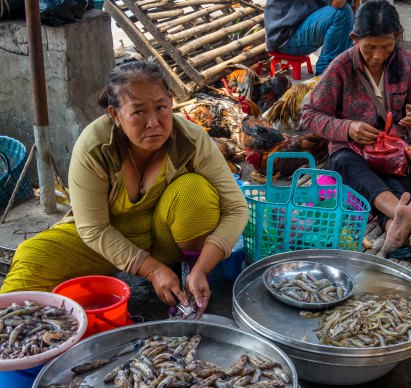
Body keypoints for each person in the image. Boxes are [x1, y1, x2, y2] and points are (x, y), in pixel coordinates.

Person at [0, 61, 248, 319]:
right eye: (138, 112)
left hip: (165, 238)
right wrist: (151, 270)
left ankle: (191, 288)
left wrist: (202, 268)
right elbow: (93, 229)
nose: (153, 122)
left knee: (194, 191)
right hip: (107, 242)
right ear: (115, 114)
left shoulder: (191, 139)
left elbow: (236, 208)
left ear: (171, 101)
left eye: (161, 107)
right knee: (32, 256)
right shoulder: (95, 146)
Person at [301, 0, 411, 254]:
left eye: (386, 47)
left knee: (396, 178)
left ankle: (394, 225)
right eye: (369, 47)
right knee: (349, 167)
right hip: (352, 153)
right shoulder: (341, 67)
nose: (378, 56)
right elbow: (309, 115)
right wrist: (348, 128)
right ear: (354, 39)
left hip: (394, 153)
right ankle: (407, 216)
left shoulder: (405, 63)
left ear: (396, 38)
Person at [265, 0, 354, 76]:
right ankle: (326, 75)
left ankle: (343, 66)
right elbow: (337, 4)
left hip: (297, 27)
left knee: (352, 11)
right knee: (341, 12)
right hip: (285, 38)